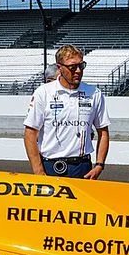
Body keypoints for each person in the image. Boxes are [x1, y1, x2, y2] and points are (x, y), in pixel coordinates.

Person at [23, 44, 109, 179]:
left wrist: (99, 165)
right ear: (60, 68)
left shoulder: (94, 93)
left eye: (82, 66)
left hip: (83, 167)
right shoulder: (43, 93)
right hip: (51, 166)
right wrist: (38, 172)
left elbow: (103, 132)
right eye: (73, 67)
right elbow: (30, 134)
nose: (78, 71)